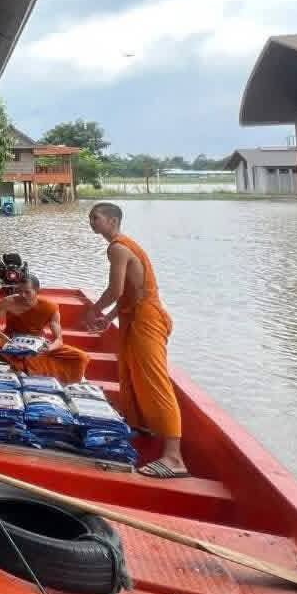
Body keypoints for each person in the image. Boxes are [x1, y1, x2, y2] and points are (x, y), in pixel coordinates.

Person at [81, 202, 187, 478]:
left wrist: (94, 309)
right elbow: (130, 290)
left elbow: (115, 289)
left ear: (113, 220)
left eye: (96, 218)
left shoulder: (118, 247)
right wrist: (112, 316)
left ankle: (174, 457)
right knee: (129, 373)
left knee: (154, 380)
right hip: (132, 316)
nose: (91, 222)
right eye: (90, 218)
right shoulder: (120, 246)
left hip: (146, 319)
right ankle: (141, 425)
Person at [0, 272, 90, 383]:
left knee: (81, 357)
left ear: (37, 291)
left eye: (27, 292)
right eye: (19, 291)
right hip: (12, 341)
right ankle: (24, 365)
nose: (22, 295)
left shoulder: (50, 307)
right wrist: (6, 338)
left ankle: (26, 366)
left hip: (38, 344)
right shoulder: (8, 302)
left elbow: (59, 340)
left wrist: (49, 348)